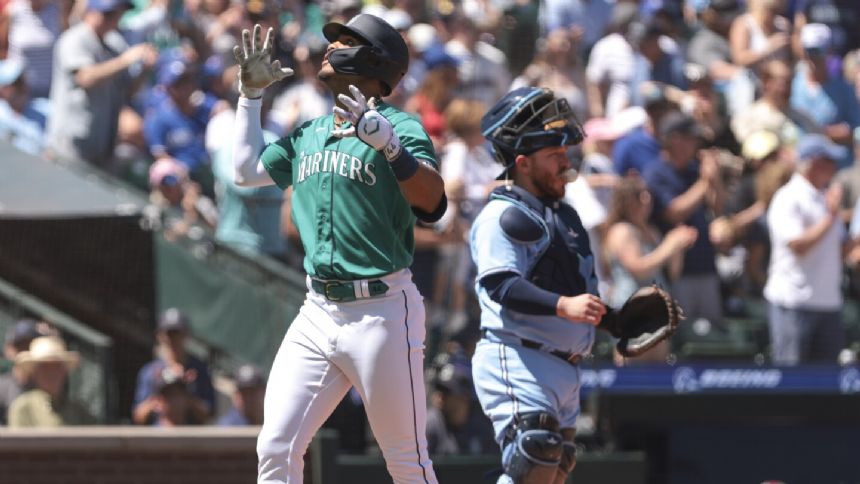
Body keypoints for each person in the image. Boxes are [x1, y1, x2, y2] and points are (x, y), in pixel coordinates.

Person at [231, 15, 446, 483]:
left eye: (346, 41)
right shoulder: (309, 132)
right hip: (318, 309)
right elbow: (244, 171)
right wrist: (249, 98)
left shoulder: (399, 127)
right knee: (276, 445)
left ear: (375, 61)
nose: (330, 48)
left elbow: (433, 203)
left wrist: (389, 146)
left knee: (406, 461)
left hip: (382, 310)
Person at [470, 86, 603, 483]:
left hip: (563, 364)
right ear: (524, 163)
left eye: (565, 154)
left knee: (553, 469)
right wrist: (565, 306)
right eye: (555, 156)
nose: (565, 163)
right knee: (535, 457)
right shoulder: (503, 215)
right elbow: (502, 286)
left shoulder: (563, 216)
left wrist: (617, 321)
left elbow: (575, 292)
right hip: (518, 355)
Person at [765, 134, 848, 365]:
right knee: (792, 385)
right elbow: (799, 246)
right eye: (829, 161)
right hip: (794, 303)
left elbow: (840, 251)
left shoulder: (826, 198)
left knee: (828, 385)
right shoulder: (788, 198)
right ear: (812, 163)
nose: (834, 168)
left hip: (829, 303)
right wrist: (831, 217)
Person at [45, 0, 158, 170]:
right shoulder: (75, 39)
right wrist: (124, 61)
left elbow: (128, 91)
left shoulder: (115, 44)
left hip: (103, 144)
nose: (113, 20)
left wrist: (144, 70)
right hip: (71, 143)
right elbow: (85, 78)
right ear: (92, 11)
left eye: (117, 15)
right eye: (108, 14)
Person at [132, 308, 216, 425]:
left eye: (176, 333)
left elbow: (208, 413)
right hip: (159, 436)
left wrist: (187, 398)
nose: (172, 339)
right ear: (160, 335)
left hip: (191, 436)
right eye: (168, 333)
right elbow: (138, 416)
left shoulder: (199, 369)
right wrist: (158, 399)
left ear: (186, 334)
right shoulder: (150, 371)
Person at [7, 335, 94, 427]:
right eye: (45, 368)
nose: (51, 373)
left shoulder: (79, 411)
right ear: (35, 373)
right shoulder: (23, 408)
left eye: (56, 367)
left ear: (64, 371)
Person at [424, 351, 496, 455]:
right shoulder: (428, 425)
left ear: (464, 397)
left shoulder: (482, 427)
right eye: (437, 389)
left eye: (446, 391)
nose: (439, 395)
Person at [0, 319, 44, 425]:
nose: (25, 351)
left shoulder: (48, 386)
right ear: (8, 350)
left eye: (30, 346)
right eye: (20, 346)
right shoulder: (2, 387)